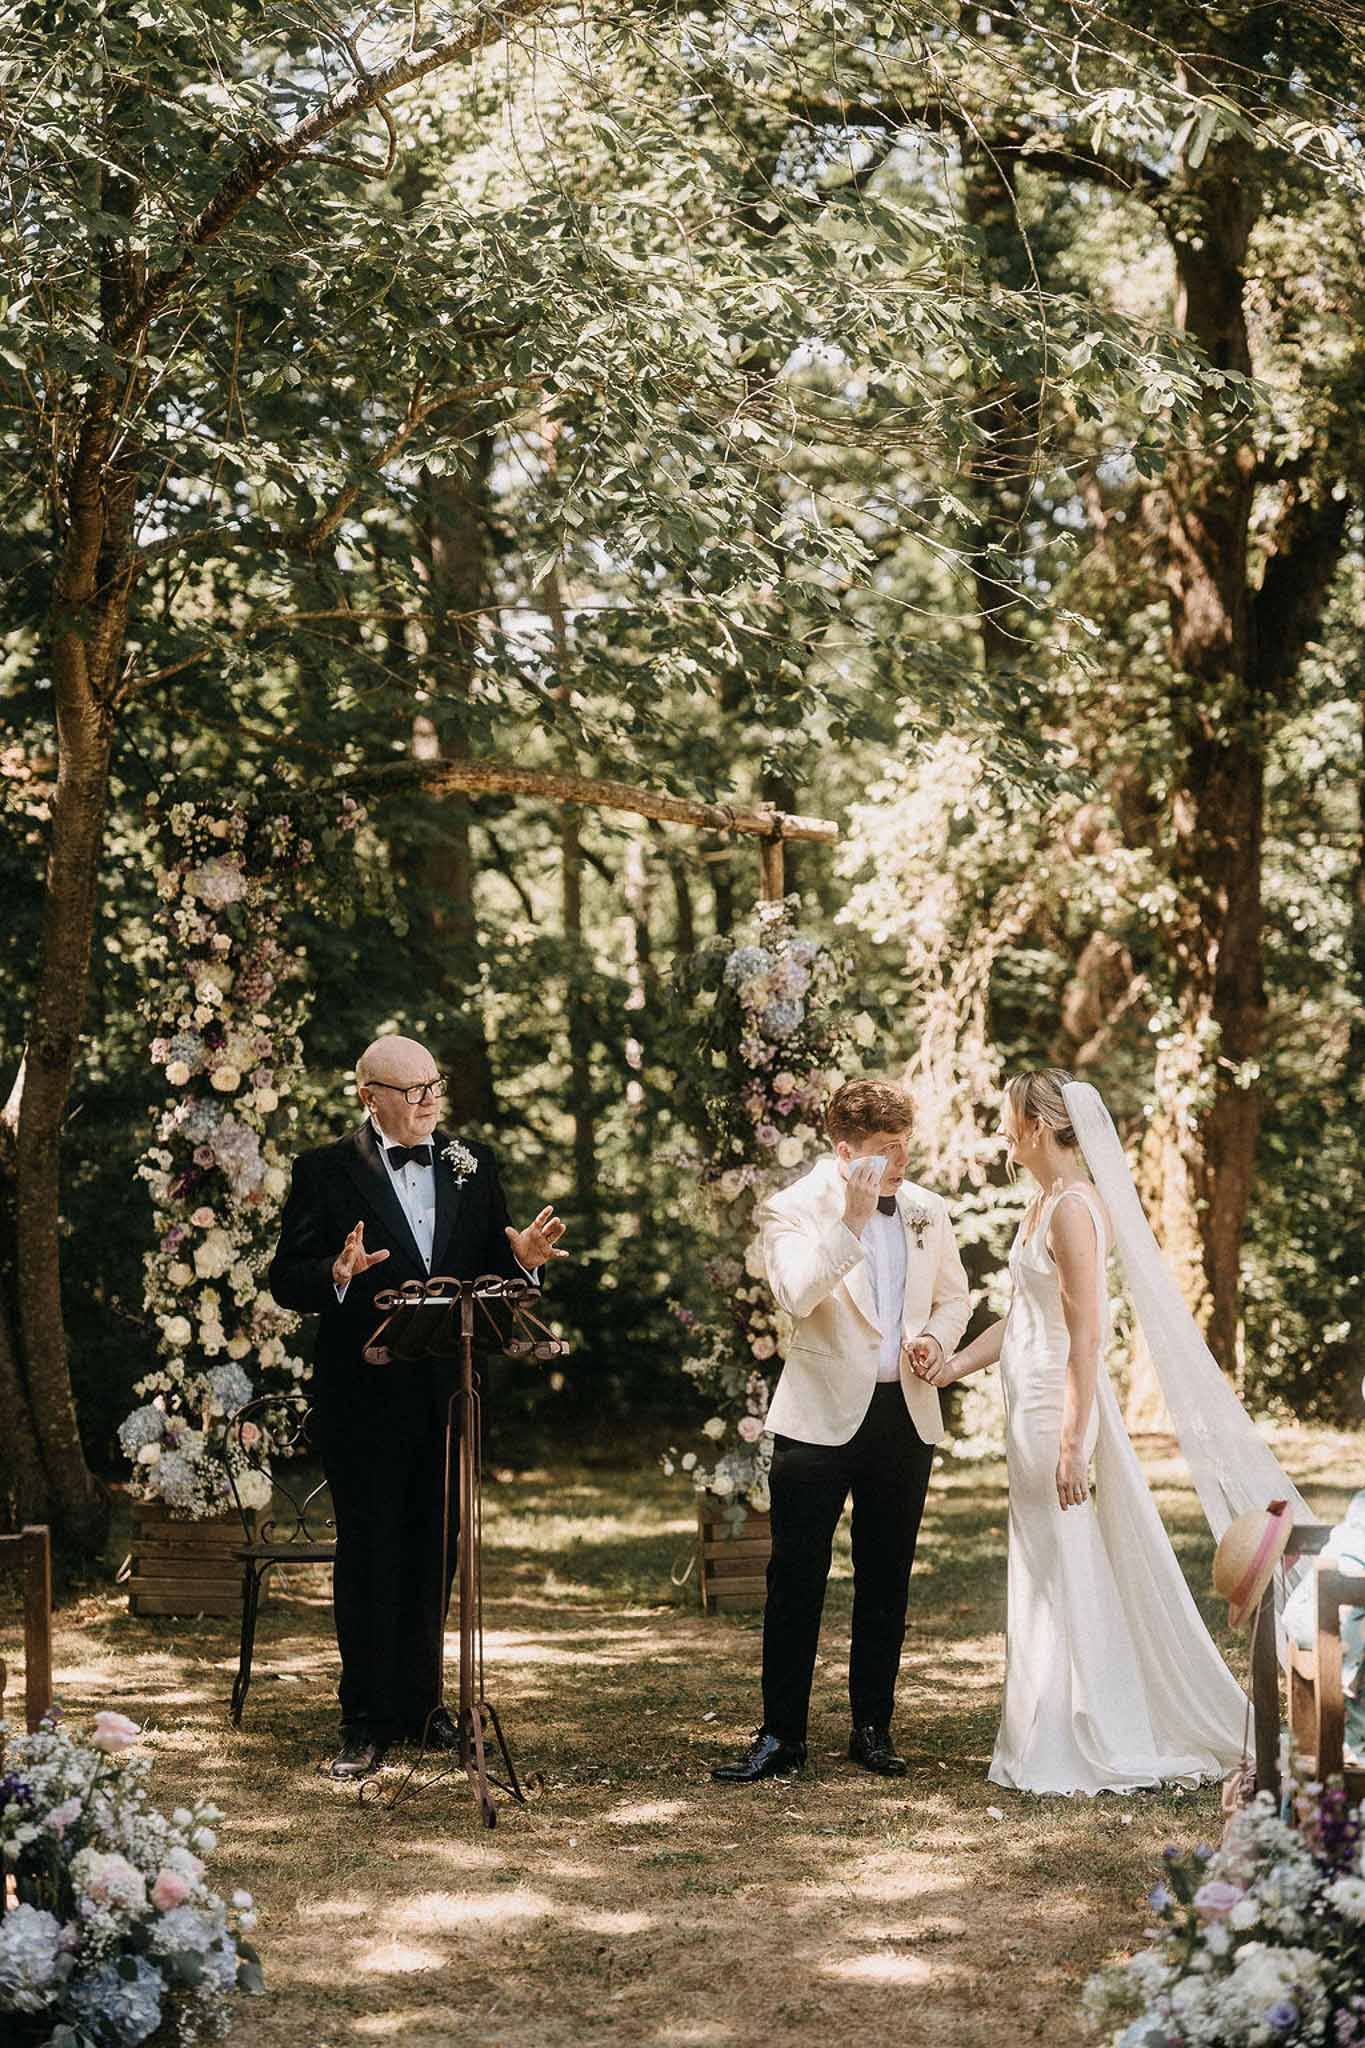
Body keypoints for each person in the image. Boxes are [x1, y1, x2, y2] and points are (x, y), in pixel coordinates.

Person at [917, 1069, 1261, 1796]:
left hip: (1053, 1404)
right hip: (1026, 1397)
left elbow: (1083, 1335)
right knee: (1044, 1561)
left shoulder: (1074, 1208)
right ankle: (1049, 1719)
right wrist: (952, 1367)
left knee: (1062, 1561)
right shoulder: (1041, 1204)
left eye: (1010, 1116)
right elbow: (1022, 1316)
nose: (1003, 1128)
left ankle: (1083, 1730)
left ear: (1038, 1127)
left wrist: (1074, 1439)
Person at [268, 1034, 566, 1780]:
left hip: (448, 1391)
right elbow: (286, 1277)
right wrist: (334, 1275)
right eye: (411, 1090)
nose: (429, 1100)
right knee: (370, 1549)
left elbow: (490, 1271)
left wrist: (521, 1261)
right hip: (361, 1393)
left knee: (438, 1548)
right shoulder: (324, 1170)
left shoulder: (472, 1164)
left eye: (435, 1084)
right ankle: (365, 1719)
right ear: (368, 1095)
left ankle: (426, 1705)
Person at [712, 1078, 971, 1785]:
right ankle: (781, 1736)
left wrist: (933, 1342)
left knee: (885, 1579)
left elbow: (954, 1296)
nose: (900, 1162)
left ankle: (871, 1727)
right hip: (818, 1420)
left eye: (905, 1145)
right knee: (795, 1578)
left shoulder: (927, 1210)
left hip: (904, 1416)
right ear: (842, 1149)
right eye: (887, 1150)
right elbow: (795, 1293)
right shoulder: (792, 1208)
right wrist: (851, 1222)